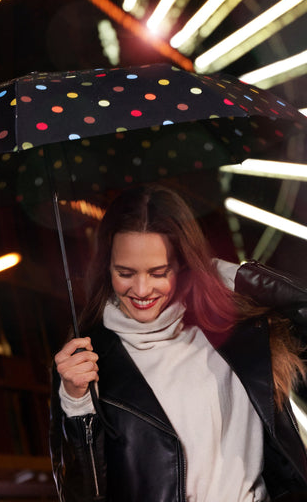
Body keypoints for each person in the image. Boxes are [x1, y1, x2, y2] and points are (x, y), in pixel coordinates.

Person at [49, 184, 307, 502]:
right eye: (125, 272)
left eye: (159, 272)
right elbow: (81, 495)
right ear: (106, 268)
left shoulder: (234, 330)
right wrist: (76, 405)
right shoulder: (86, 361)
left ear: (184, 264)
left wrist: (235, 276)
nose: (141, 290)